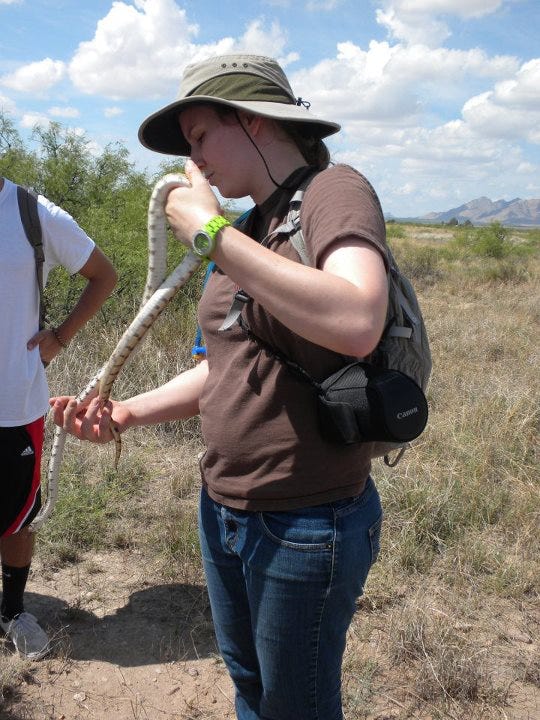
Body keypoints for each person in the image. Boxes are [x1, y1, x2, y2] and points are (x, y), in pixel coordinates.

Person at [52, 54, 389, 719]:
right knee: (249, 687)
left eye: (201, 135)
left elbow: (357, 319)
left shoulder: (334, 191)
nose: (194, 160)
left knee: (295, 705)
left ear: (255, 120)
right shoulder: (245, 232)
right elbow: (222, 366)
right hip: (225, 507)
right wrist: (126, 412)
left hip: (306, 518)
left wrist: (208, 235)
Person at [0, 176, 117, 660]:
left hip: (14, 401)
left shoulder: (32, 213)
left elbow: (104, 275)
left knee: (16, 517)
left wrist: (62, 336)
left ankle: (12, 611)